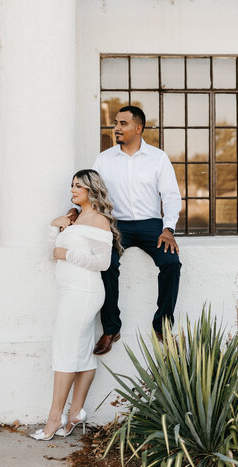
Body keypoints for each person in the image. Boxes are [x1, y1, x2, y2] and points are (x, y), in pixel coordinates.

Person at [63, 106, 182, 356]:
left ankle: (162, 325)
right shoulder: (104, 159)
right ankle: (110, 328)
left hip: (152, 224)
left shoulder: (158, 157)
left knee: (171, 263)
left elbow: (170, 195)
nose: (116, 127)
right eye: (116, 123)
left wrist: (168, 228)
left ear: (138, 128)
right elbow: (92, 190)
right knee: (107, 264)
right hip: (116, 225)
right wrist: (75, 210)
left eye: (123, 123)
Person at [30, 170, 122, 440]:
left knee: (63, 352)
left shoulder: (100, 220)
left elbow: (103, 262)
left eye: (78, 186)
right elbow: (53, 254)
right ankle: (75, 414)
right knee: (81, 353)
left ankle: (53, 420)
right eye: (72, 185)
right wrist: (54, 226)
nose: (72, 190)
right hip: (71, 292)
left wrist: (67, 253)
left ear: (92, 190)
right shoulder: (76, 217)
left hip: (84, 293)